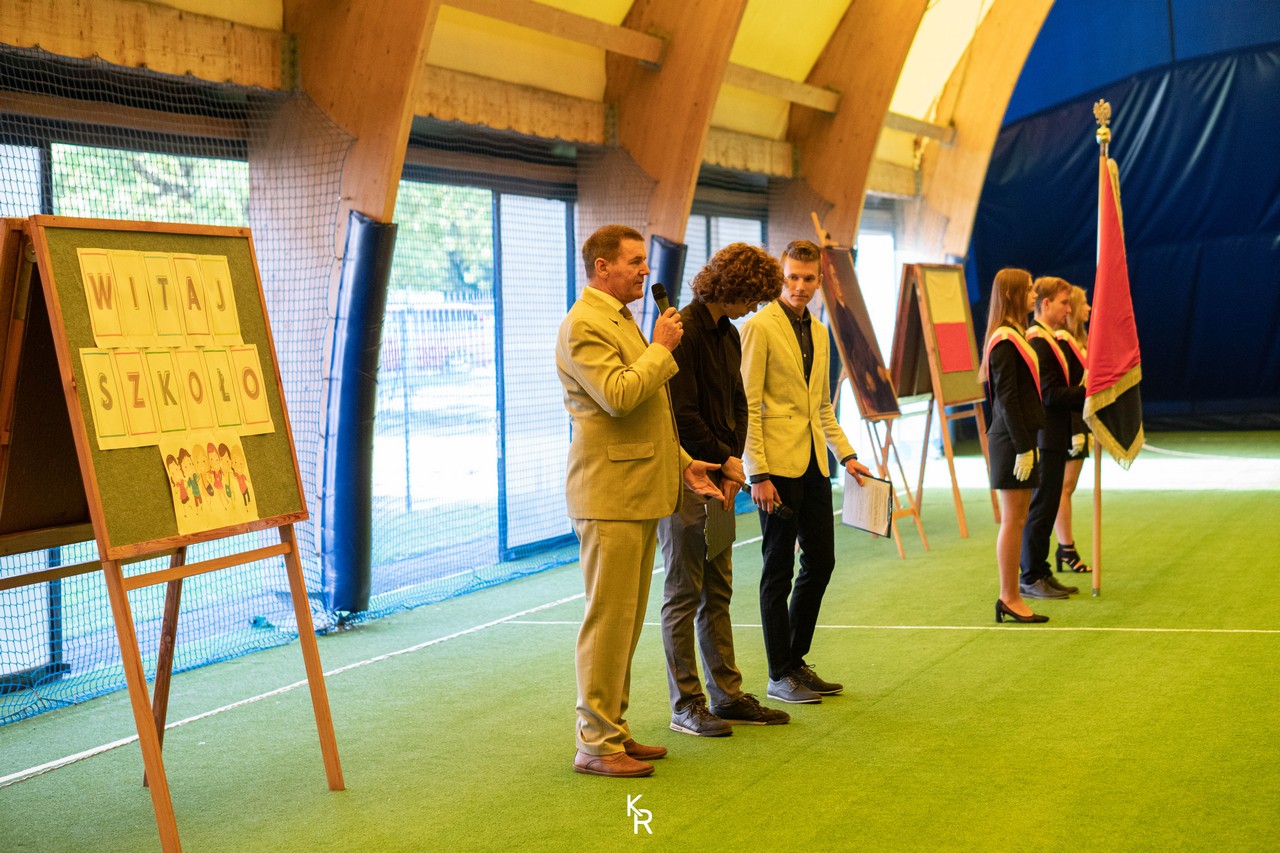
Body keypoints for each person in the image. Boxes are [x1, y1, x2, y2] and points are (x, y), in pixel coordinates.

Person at [556, 224, 724, 778]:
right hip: (609, 496)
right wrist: (661, 348)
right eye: (634, 261)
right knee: (608, 623)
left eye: (644, 260)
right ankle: (595, 744)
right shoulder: (584, 324)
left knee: (624, 624)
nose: (646, 270)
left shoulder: (621, 318)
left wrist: (683, 463)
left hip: (637, 493)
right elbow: (620, 396)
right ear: (602, 267)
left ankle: (613, 729)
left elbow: (651, 412)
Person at [658, 243, 790, 738]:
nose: (755, 306)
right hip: (687, 477)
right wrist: (724, 458)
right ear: (734, 287)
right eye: (753, 296)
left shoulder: (730, 334)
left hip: (722, 477)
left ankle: (727, 696)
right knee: (683, 593)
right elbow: (681, 413)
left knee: (718, 588)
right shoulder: (683, 331)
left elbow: (739, 402)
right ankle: (686, 705)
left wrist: (733, 463)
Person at [740, 239, 871, 704]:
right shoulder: (758, 326)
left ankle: (795, 660)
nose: (799, 286)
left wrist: (847, 455)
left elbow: (822, 407)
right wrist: (757, 474)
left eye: (808, 278)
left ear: (819, 281)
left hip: (816, 464)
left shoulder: (818, 330)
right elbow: (748, 405)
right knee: (777, 569)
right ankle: (779, 674)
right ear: (781, 277)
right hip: (774, 470)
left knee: (821, 561)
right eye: (792, 277)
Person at [980, 267, 1047, 623]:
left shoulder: (1015, 334)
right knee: (1013, 520)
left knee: (1018, 519)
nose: (1034, 295)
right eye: (1029, 289)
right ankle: (1008, 596)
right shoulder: (1005, 340)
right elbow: (1006, 399)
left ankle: (1012, 595)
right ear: (1011, 294)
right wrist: (1022, 447)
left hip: (1019, 437)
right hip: (1010, 440)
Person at [1019, 276, 1086, 601]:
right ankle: (1030, 575)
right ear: (1045, 304)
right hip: (1046, 435)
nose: (1068, 309)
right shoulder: (1038, 341)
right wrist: (1088, 393)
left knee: (1047, 507)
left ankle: (1042, 570)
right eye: (1063, 303)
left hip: (1054, 435)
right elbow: (1049, 395)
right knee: (1041, 507)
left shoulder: (1049, 340)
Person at [1053, 284, 1092, 573]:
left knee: (1068, 486)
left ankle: (1064, 546)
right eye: (1083, 303)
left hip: (1080, 420)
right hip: (1070, 422)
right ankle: (1066, 547)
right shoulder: (1063, 341)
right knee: (1064, 487)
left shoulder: (1079, 340)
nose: (1088, 308)